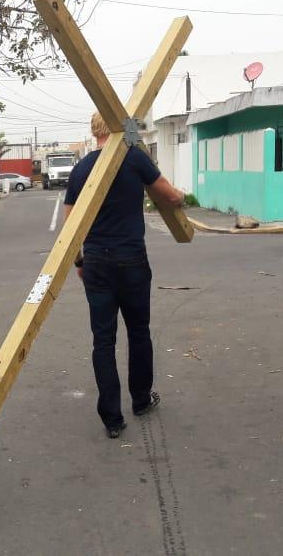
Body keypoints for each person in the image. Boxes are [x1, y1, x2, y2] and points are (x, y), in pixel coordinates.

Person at [63, 113, 185, 439]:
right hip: (132, 260)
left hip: (97, 265)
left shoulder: (81, 169)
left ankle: (112, 419)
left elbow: (69, 225)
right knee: (138, 332)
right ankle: (142, 400)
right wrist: (182, 197)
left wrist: (79, 262)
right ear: (120, 127)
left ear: (94, 131)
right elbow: (170, 196)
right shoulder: (135, 159)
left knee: (103, 341)